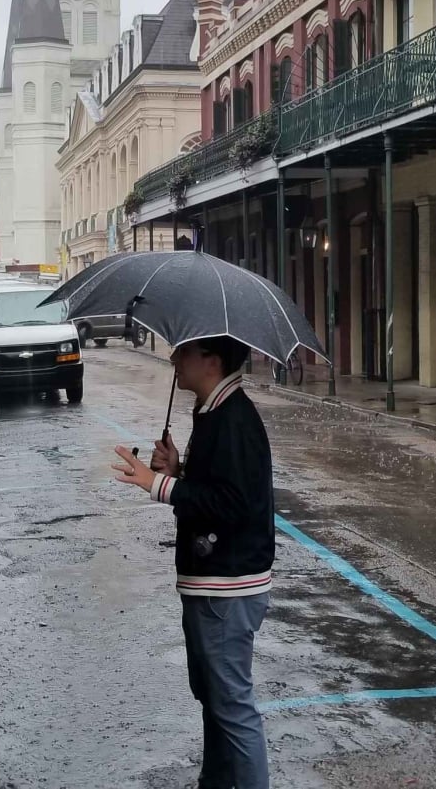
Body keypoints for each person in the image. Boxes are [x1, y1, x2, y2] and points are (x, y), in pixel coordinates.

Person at [111, 336, 274, 789]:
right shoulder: (213, 413)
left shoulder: (233, 418)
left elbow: (234, 503)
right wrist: (178, 471)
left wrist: (156, 485)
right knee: (214, 698)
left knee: (232, 706)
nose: (172, 359)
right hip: (211, 580)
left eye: (183, 352)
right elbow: (219, 489)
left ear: (212, 361)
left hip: (228, 585)